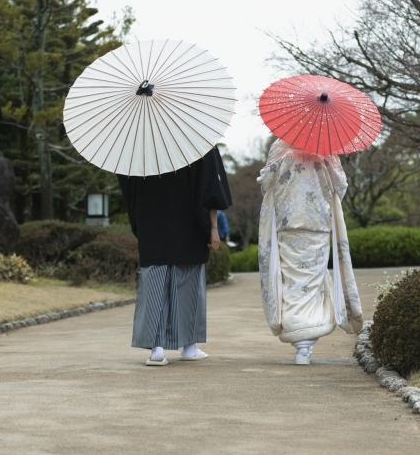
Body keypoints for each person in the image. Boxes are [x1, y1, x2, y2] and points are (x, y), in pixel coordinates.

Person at [118, 146, 231, 366]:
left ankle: (157, 350)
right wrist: (213, 227)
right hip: (188, 224)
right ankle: (189, 346)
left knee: (154, 285)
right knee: (188, 286)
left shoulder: (138, 144)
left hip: (151, 223)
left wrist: (140, 223)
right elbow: (210, 189)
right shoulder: (199, 140)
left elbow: (128, 186)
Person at [257, 139, 363, 365]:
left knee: (293, 280)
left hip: (287, 223)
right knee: (312, 280)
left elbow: (266, 182)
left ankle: (300, 341)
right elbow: (340, 185)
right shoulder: (325, 146)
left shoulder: (280, 147)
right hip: (317, 221)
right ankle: (307, 341)